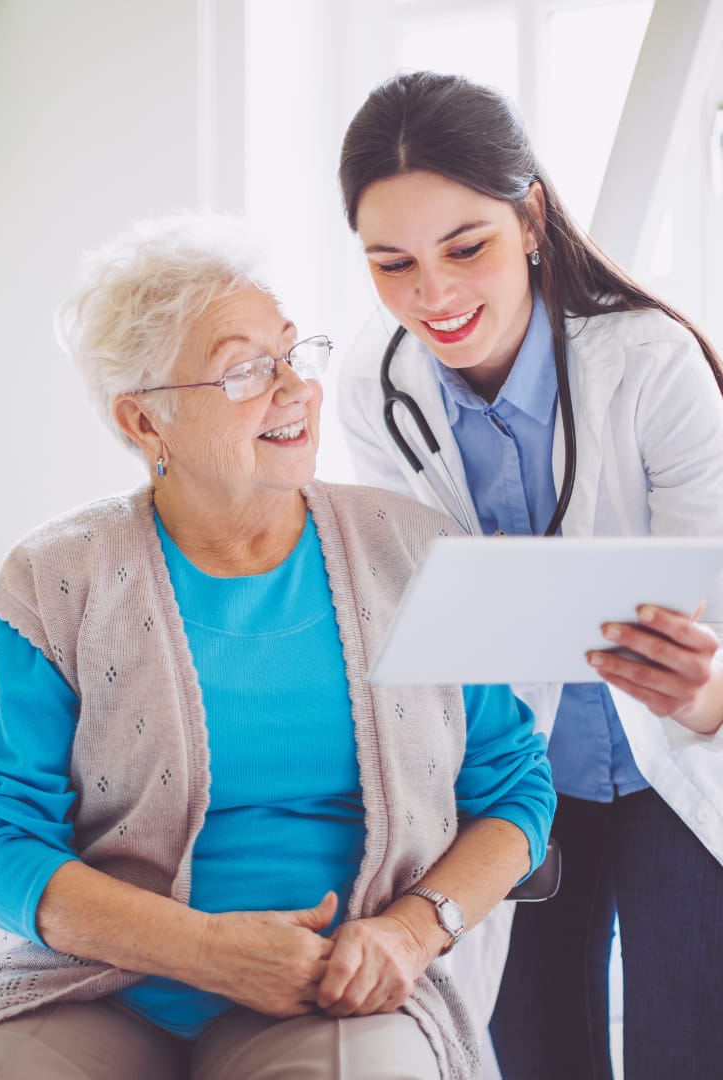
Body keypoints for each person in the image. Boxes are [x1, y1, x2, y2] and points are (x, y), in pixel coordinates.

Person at [0, 214, 555, 1080]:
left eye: (293, 353)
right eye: (245, 370)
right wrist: (201, 949)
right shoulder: (59, 576)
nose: (293, 388)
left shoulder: (416, 552)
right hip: (94, 988)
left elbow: (514, 789)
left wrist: (411, 930)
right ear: (146, 423)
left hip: (334, 992)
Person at [336, 70, 723, 1080]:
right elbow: (415, 601)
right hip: (514, 785)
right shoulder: (378, 387)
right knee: (534, 1055)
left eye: (468, 247)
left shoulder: (651, 364)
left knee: (689, 1049)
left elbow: (717, 600)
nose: (435, 295)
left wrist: (708, 690)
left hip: (670, 772)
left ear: (533, 219)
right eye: (393, 264)